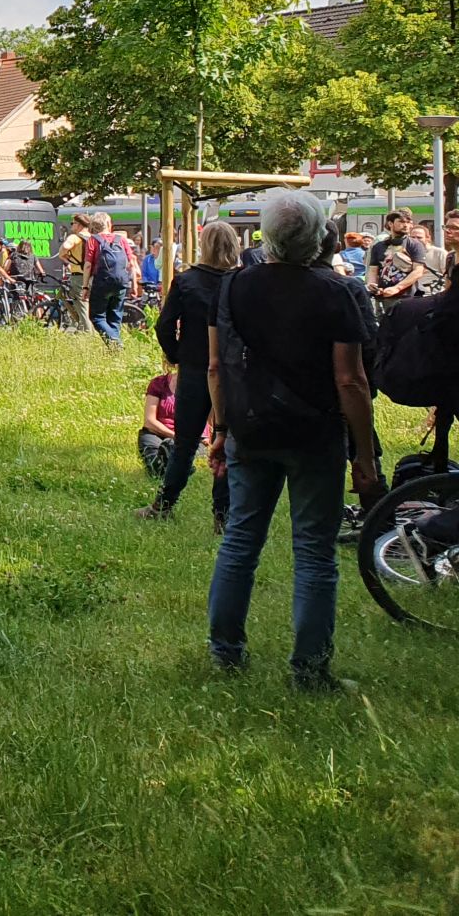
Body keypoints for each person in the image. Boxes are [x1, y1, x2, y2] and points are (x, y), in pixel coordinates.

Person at [207, 190, 381, 691]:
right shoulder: (337, 291)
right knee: (314, 552)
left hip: (251, 427)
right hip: (314, 434)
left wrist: (219, 429)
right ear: (320, 235)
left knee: (240, 540)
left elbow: (218, 365)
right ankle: (309, 670)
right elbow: (351, 380)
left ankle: (225, 652)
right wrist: (363, 455)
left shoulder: (235, 285)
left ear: (268, 235)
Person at [140, 220, 238, 527]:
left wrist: (176, 354)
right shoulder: (241, 281)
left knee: (185, 442)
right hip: (233, 370)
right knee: (228, 440)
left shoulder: (186, 281)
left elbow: (163, 325)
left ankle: (164, 505)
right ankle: (223, 515)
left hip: (195, 369)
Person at [85, 212, 139, 345]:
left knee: (97, 317)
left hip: (102, 283)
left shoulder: (93, 240)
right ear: (109, 224)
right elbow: (131, 263)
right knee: (115, 317)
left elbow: (87, 265)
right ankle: (114, 350)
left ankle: (115, 343)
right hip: (121, 283)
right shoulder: (121, 239)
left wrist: (85, 286)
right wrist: (134, 285)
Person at [368, 209, 431, 314]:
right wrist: (372, 284)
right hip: (383, 297)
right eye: (401, 222)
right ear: (390, 223)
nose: (406, 225)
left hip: (407, 297)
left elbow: (418, 271)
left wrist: (397, 288)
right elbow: (373, 270)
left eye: (408, 222)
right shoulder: (378, 246)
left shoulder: (414, 244)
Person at [136, 367, 179, 481]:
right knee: (153, 455)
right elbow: (149, 421)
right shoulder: (159, 383)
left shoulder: (203, 386)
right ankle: (160, 465)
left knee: (186, 454)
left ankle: (173, 464)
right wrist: (175, 436)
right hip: (155, 433)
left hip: (188, 438)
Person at [58, 214, 94, 333]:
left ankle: (88, 334)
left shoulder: (74, 237)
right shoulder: (93, 238)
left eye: (72, 223)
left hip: (79, 276)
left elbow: (65, 247)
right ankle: (84, 326)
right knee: (89, 306)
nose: (72, 226)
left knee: (82, 306)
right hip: (93, 276)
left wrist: (63, 255)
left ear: (78, 225)